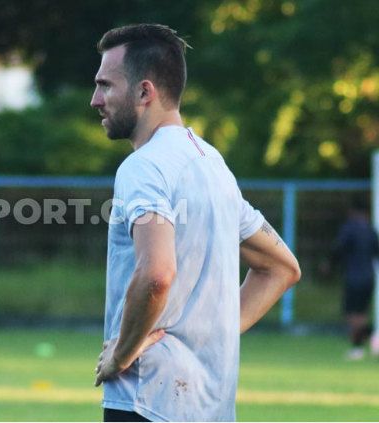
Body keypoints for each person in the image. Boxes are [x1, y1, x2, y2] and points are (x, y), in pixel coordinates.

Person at [89, 24, 301, 421]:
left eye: (105, 86)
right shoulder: (213, 165)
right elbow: (281, 268)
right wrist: (211, 332)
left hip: (147, 398)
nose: (95, 100)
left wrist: (121, 354)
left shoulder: (143, 167)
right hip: (210, 406)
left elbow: (156, 274)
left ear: (144, 92)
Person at [329, 196, 378, 360]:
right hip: (369, 278)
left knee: (352, 315)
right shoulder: (371, 230)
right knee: (361, 313)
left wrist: (329, 265)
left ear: (352, 211)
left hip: (354, 277)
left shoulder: (349, 229)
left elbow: (338, 249)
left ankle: (358, 347)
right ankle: (367, 340)